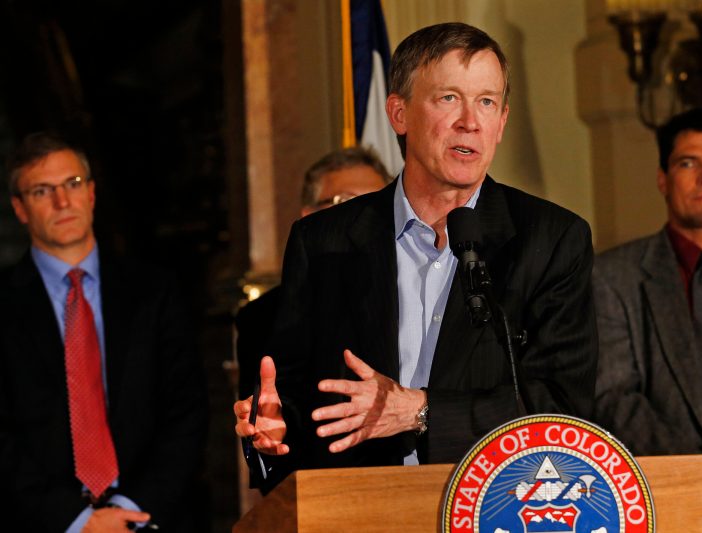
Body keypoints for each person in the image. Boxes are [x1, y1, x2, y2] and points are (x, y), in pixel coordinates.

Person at [234, 22, 597, 492]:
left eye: (487, 102)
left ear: (502, 122)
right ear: (399, 114)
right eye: (448, 98)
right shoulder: (323, 241)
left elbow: (562, 408)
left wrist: (421, 411)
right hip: (359, 507)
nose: (470, 121)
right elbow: (298, 402)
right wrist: (275, 433)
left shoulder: (551, 239)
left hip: (493, 503)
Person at [0, 132, 208, 531]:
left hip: (151, 518)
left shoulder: (155, 291)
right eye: (42, 191)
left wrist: (131, 511)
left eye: (73, 184)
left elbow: (187, 411)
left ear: (91, 193)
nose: (62, 202)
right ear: (20, 208)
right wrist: (80, 521)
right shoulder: (2, 306)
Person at [593, 107, 702, 455]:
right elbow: (613, 396)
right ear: (663, 179)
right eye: (688, 163)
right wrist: (695, 473)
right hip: (666, 479)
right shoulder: (612, 276)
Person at [235, 146, 391, 401]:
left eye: (375, 204)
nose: (364, 218)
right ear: (309, 216)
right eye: (347, 203)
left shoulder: (417, 292)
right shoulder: (263, 317)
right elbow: (263, 412)